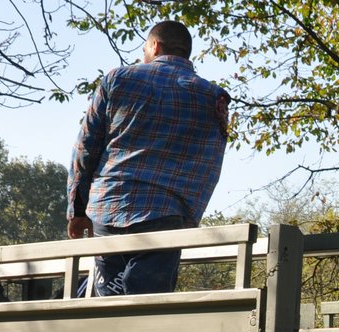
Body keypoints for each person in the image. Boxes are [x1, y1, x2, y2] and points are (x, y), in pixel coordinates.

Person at [67, 20, 230, 296]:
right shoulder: (212, 97)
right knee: (148, 305)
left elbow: (85, 149)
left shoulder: (117, 79)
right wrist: (189, 218)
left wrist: (78, 210)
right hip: (166, 216)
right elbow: (210, 165)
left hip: (109, 208)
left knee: (108, 301)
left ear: (154, 46)